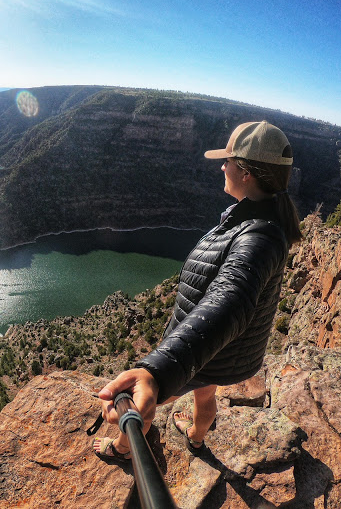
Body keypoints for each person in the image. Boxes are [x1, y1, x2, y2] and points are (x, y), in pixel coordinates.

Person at [93, 120, 302, 459]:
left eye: (228, 161)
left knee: (147, 401)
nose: (222, 167)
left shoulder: (258, 236)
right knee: (205, 396)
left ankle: (122, 448)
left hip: (211, 352)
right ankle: (196, 436)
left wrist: (157, 374)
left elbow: (230, 300)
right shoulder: (260, 219)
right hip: (222, 352)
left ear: (246, 172)